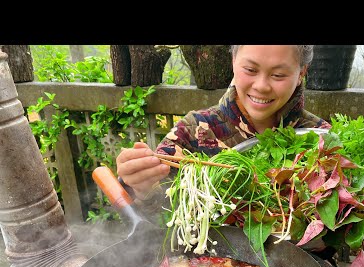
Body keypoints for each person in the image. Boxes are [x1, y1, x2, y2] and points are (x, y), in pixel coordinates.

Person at [117, 45, 331, 202]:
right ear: (233, 61)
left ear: (302, 72)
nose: (262, 86)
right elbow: (158, 219)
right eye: (250, 70)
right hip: (209, 261)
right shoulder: (192, 132)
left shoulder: (321, 139)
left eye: (278, 74)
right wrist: (140, 188)